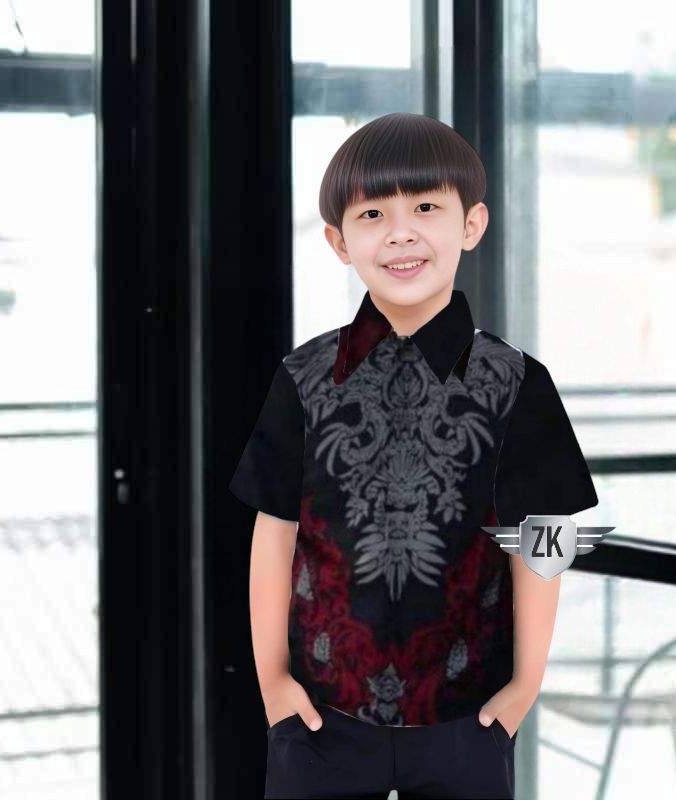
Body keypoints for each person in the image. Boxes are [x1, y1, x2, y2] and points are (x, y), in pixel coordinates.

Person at [229, 111, 599, 799]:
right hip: (321, 718)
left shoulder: (517, 381)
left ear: (471, 224)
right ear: (339, 241)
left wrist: (525, 685)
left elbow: (545, 533)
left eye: (426, 207)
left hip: (468, 718)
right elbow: (274, 531)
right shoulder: (303, 377)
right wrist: (273, 683)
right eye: (373, 214)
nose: (400, 232)